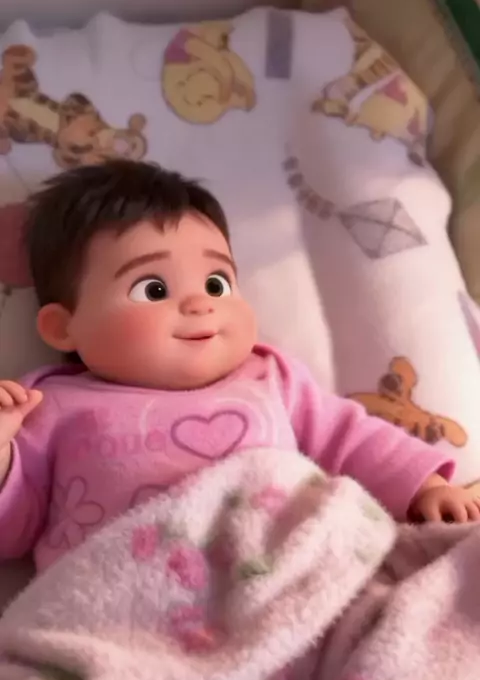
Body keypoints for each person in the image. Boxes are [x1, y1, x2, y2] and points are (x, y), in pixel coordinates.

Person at [0, 160, 477, 572]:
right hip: (123, 600)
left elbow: (352, 439)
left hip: (288, 577)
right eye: (154, 290)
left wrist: (425, 488)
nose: (200, 304)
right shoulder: (49, 407)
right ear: (63, 327)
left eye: (216, 283)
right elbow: (13, 528)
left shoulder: (268, 378)